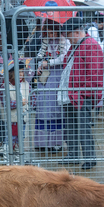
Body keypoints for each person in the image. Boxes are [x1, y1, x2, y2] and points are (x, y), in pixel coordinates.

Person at [58, 17, 104, 170]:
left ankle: (89, 158)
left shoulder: (91, 46)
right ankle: (73, 154)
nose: (67, 39)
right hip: (73, 94)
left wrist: (82, 93)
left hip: (80, 95)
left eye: (68, 35)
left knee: (83, 127)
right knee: (71, 125)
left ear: (76, 33)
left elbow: (94, 74)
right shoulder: (78, 45)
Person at [34, 19, 70, 152]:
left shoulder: (64, 41)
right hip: (46, 77)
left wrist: (48, 63)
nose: (50, 35)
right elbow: (41, 56)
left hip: (58, 77)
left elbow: (63, 58)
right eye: (48, 32)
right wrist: (39, 65)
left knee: (55, 108)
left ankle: (55, 142)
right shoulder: (45, 42)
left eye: (52, 32)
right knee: (43, 106)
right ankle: (42, 142)